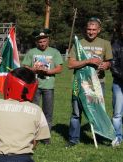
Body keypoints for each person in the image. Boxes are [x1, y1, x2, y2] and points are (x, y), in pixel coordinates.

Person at [67, 17, 113, 147]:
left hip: (98, 84)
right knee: (76, 113)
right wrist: (88, 61)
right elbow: (70, 64)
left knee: (98, 111)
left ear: (99, 30)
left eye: (94, 29)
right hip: (79, 83)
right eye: (89, 29)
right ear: (85, 29)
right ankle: (73, 139)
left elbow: (109, 62)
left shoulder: (105, 43)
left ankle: (100, 136)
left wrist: (106, 65)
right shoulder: (78, 43)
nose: (91, 32)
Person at [22, 28, 63, 144]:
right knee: (33, 111)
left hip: (48, 86)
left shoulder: (54, 52)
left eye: (44, 41)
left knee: (48, 112)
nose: (42, 44)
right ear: (36, 42)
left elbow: (59, 68)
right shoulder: (31, 52)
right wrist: (33, 69)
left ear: (48, 40)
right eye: (40, 42)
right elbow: (24, 66)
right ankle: (32, 136)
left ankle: (46, 137)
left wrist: (48, 72)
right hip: (34, 86)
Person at [111, 21, 123, 147]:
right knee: (117, 113)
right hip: (119, 84)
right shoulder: (116, 45)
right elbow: (113, 65)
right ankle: (117, 136)